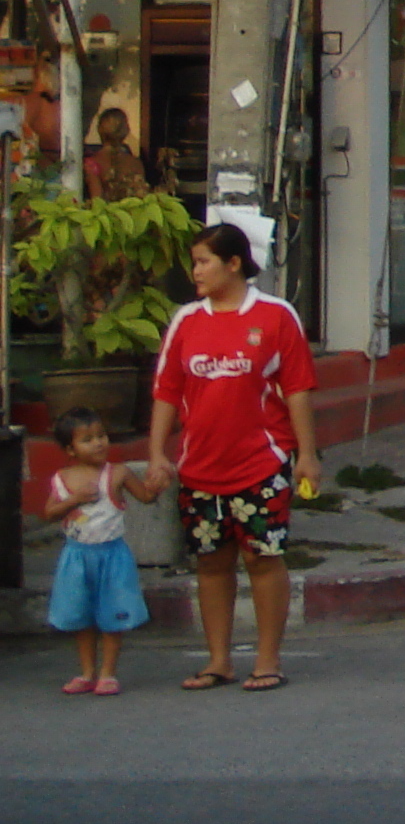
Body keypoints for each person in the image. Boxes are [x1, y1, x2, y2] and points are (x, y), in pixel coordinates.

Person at [150, 222, 320, 691]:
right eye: (193, 261)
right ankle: (218, 660)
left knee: (263, 558)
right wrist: (157, 455)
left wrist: (306, 454)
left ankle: (267, 660)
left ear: (233, 263)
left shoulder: (275, 316)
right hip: (199, 467)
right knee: (210, 562)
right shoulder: (186, 321)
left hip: (261, 464)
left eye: (203, 261)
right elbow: (167, 390)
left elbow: (298, 389)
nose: (195, 271)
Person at [45, 407, 157, 694]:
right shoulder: (62, 478)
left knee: (112, 613)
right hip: (76, 556)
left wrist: (157, 485)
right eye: (88, 439)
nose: (98, 443)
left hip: (113, 556)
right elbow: (48, 513)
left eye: (101, 436)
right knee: (80, 615)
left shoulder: (118, 474)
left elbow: (145, 496)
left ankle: (108, 672)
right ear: (70, 449)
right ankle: (86, 672)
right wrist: (74, 500)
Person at [83, 107, 150, 202]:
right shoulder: (136, 163)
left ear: (99, 130)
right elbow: (142, 198)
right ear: (125, 131)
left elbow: (97, 201)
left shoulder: (91, 164)